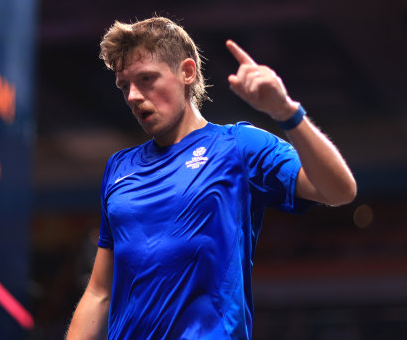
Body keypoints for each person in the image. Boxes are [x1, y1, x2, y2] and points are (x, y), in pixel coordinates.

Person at [65, 17, 356, 339]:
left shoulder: (238, 145)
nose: (133, 96)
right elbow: (99, 292)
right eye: (124, 86)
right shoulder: (119, 168)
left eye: (146, 79)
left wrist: (286, 112)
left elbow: (339, 191)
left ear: (187, 72)